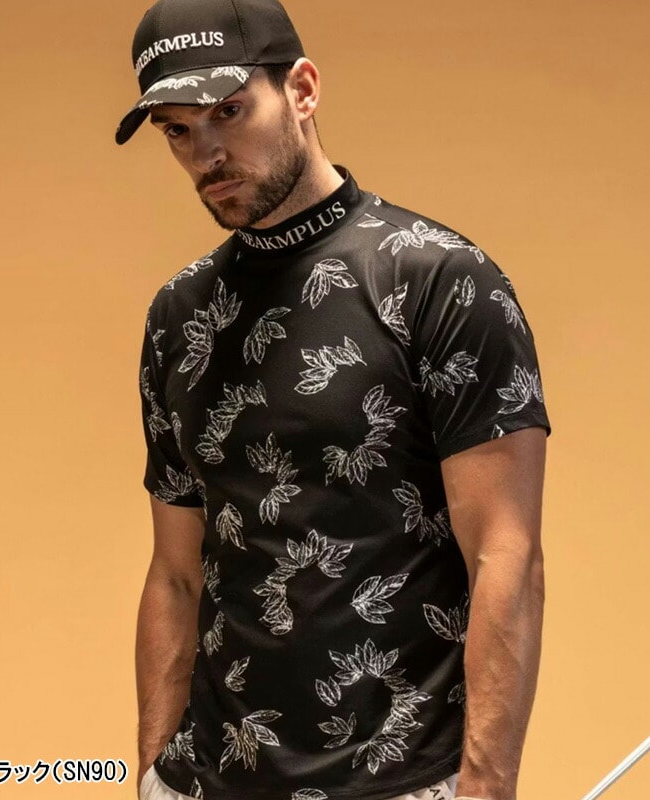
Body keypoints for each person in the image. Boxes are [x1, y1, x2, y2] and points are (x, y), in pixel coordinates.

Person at [116, 1, 551, 799]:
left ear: (304, 89)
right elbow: (175, 573)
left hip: (401, 779)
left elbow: (507, 557)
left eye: (228, 111)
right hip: (204, 779)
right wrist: (150, 772)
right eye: (177, 129)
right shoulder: (181, 315)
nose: (207, 152)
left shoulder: (438, 280)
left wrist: (486, 790)